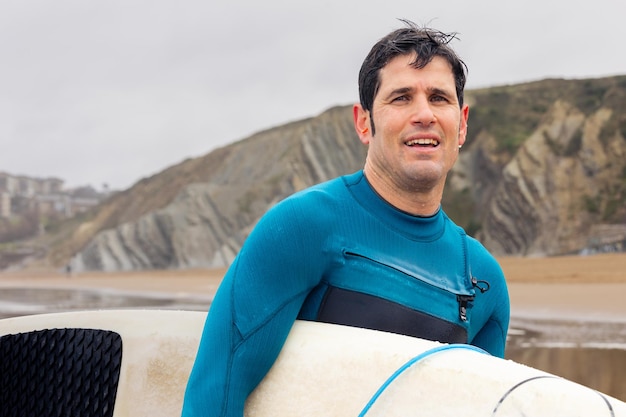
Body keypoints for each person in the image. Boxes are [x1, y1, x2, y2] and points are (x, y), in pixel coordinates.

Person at [181, 20, 510, 417]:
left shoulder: (482, 279)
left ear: (462, 125)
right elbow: (216, 391)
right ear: (363, 122)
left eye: (439, 98)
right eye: (401, 97)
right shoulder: (302, 228)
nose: (424, 113)